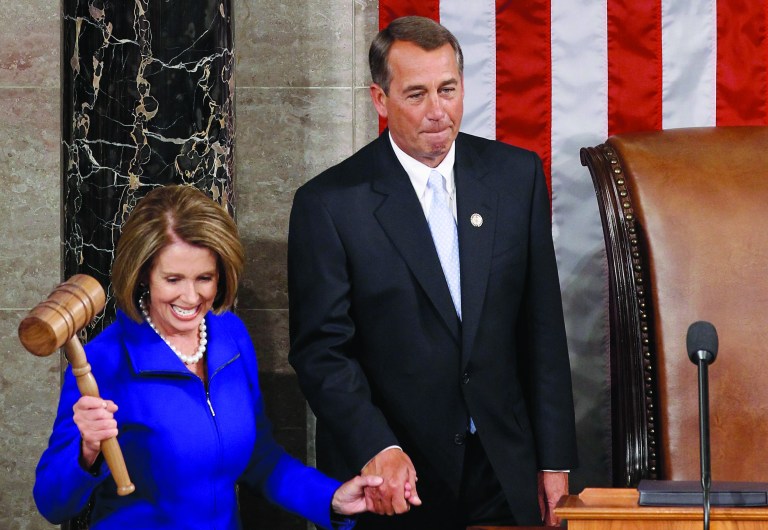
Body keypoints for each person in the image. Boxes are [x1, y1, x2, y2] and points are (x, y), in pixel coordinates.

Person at [287, 15, 578, 529]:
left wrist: (553, 461)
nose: (438, 111)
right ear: (380, 100)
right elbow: (321, 351)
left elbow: (543, 331)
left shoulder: (517, 177)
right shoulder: (329, 205)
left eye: (448, 89)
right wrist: (378, 445)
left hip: (504, 471)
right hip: (396, 477)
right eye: (416, 94)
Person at [33, 185, 383, 529]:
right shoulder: (104, 361)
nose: (190, 297)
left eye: (204, 278)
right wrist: (87, 451)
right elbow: (52, 504)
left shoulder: (230, 334)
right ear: (144, 276)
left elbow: (260, 458)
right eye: (173, 279)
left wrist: (332, 499)